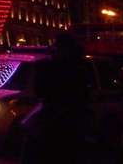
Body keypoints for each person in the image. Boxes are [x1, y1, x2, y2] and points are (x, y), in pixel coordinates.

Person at [21, 33, 90, 164]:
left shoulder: (52, 67)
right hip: (65, 119)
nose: (54, 50)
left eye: (57, 47)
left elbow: (42, 90)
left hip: (59, 120)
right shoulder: (77, 67)